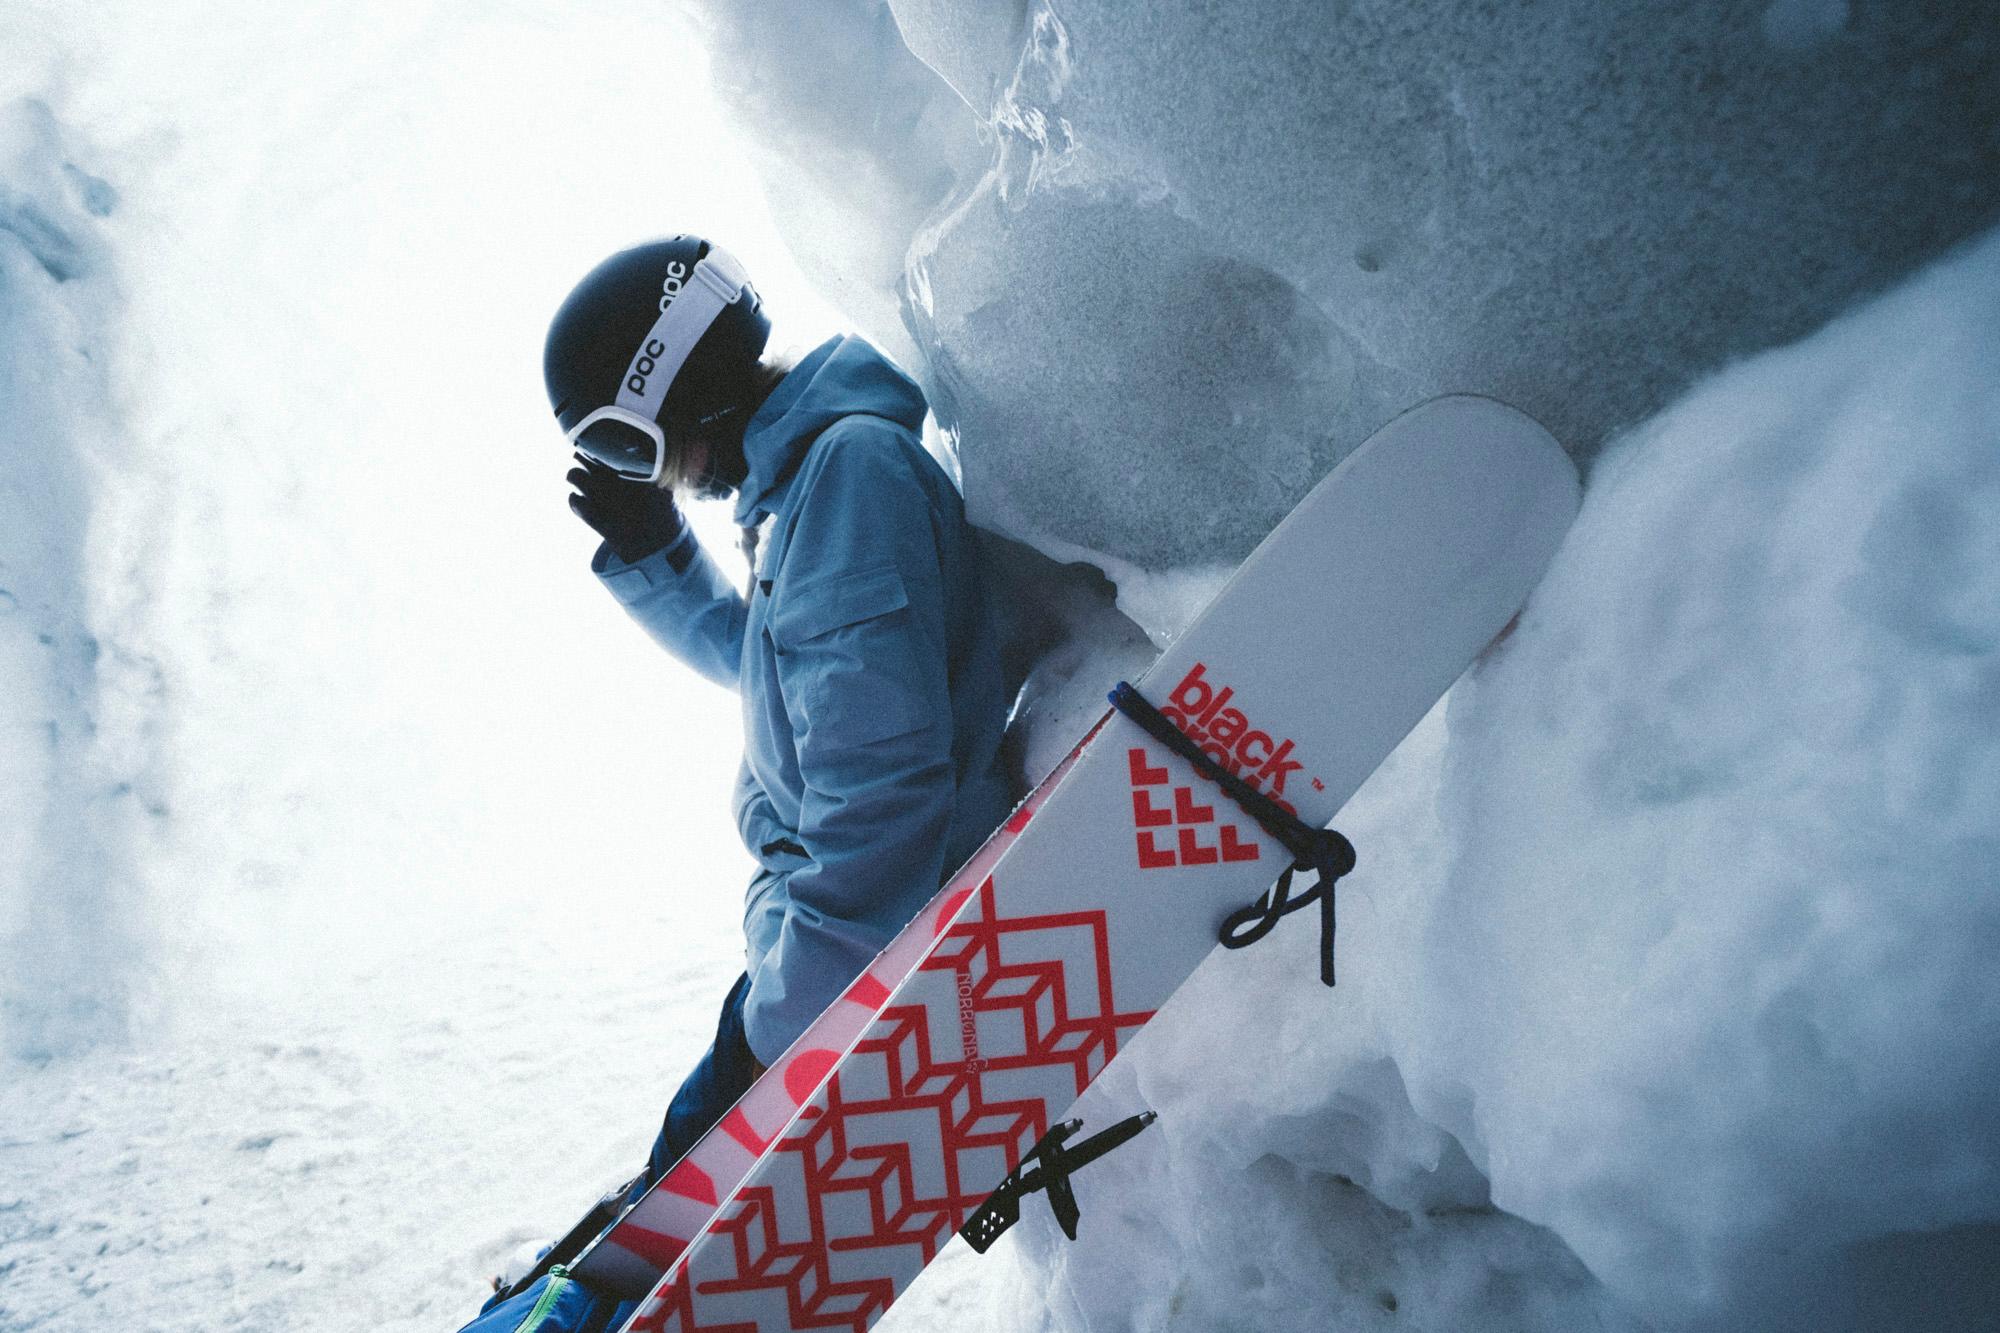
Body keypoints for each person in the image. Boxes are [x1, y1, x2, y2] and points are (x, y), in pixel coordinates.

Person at [542, 235, 1012, 1204]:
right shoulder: (814, 492)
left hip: (858, 955)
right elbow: (770, 668)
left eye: (630, 446)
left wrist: (785, 1038)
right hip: (833, 943)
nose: (652, 477)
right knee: (651, 1198)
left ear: (681, 389)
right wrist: (660, 556)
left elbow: (879, 790)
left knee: (670, 1203)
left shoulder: (847, 484)